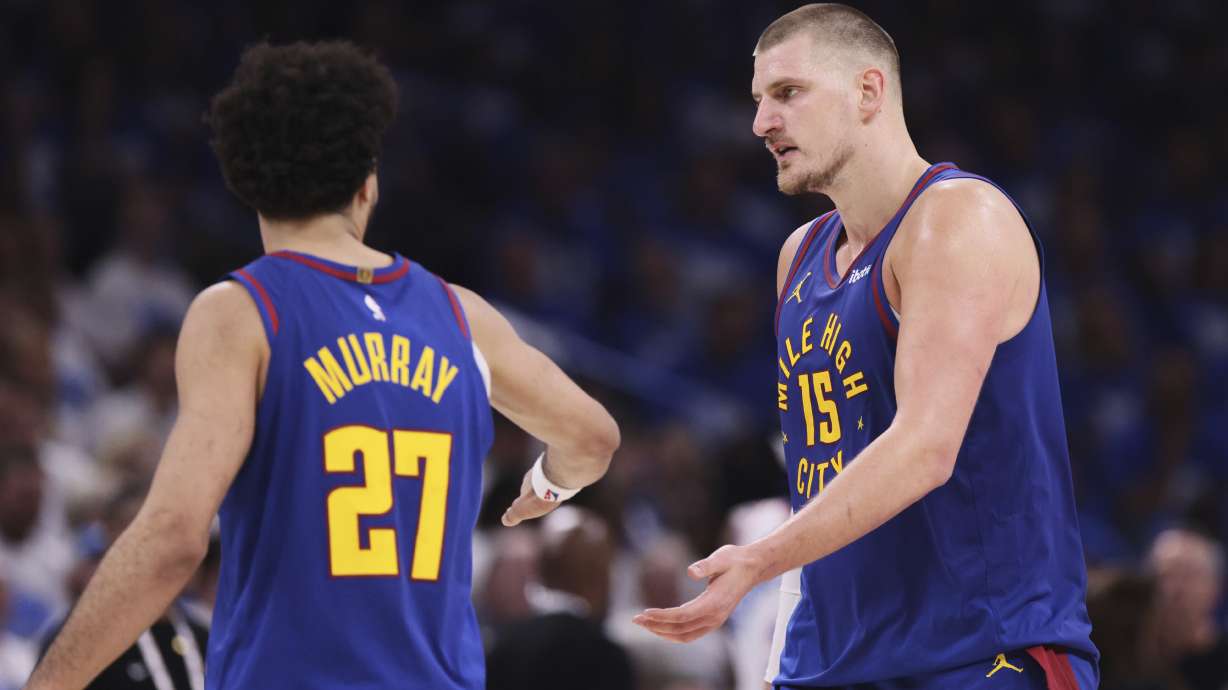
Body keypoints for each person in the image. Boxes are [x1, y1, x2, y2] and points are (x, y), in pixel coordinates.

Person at [27, 40, 620, 690]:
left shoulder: (240, 312)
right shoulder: (459, 315)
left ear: (245, 180)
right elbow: (593, 437)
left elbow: (173, 536)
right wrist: (550, 484)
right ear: (368, 183)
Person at [634, 5, 1099, 689]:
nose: (762, 122)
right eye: (758, 100)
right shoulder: (799, 255)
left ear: (868, 92)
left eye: (788, 93)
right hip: (829, 656)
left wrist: (761, 560)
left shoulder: (956, 221)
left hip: (979, 652)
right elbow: (819, 474)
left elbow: (924, 448)